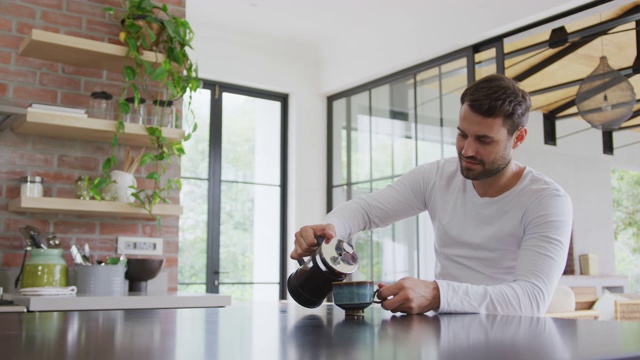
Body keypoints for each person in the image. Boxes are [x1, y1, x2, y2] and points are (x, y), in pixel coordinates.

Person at [290, 74, 573, 317]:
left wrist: (438, 294)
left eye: (484, 140)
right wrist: (331, 228)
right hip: (446, 332)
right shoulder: (436, 176)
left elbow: (530, 300)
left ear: (519, 138)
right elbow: (366, 211)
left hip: (514, 339)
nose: (467, 150)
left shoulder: (547, 202)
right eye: (463, 134)